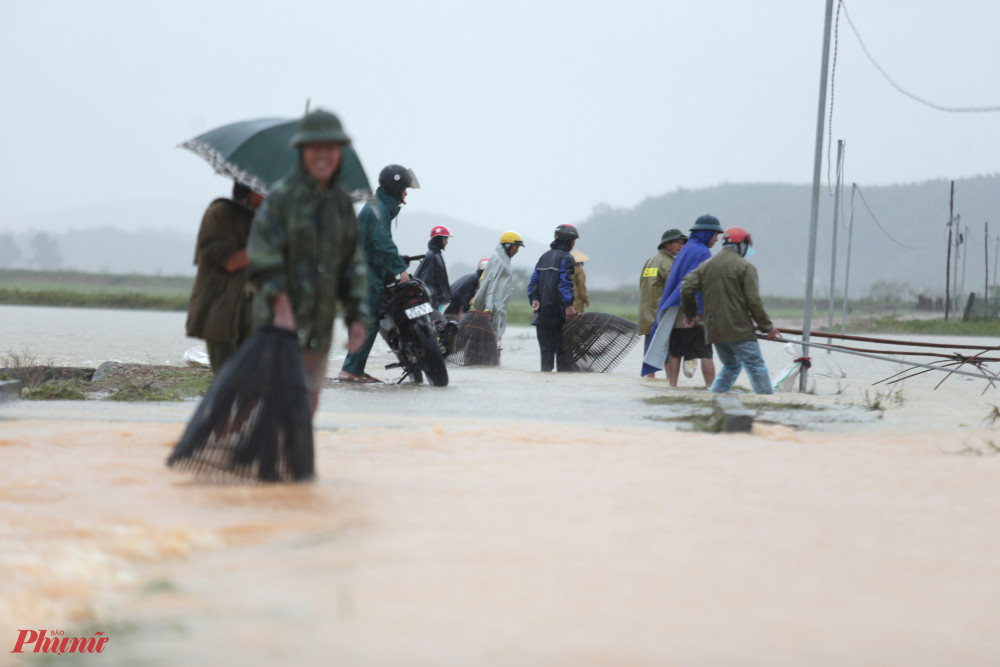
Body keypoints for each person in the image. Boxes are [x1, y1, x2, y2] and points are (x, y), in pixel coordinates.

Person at [246, 108, 369, 415]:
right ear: (302, 151)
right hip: (276, 326)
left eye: (331, 148)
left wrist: (357, 316)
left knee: (308, 402)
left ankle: (297, 459)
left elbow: (351, 266)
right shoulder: (281, 199)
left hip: (318, 328)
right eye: (316, 148)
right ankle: (270, 458)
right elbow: (262, 259)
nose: (323, 155)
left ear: (340, 153)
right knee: (274, 401)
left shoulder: (340, 205)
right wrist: (281, 306)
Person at [337, 163, 420, 383]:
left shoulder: (379, 207)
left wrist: (394, 264)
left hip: (364, 272)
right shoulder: (377, 210)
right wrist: (400, 269)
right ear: (396, 189)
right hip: (362, 275)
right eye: (404, 189)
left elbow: (378, 245)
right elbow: (382, 243)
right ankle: (350, 371)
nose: (405, 195)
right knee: (368, 321)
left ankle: (354, 368)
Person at [680, 226, 780, 394]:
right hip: (738, 329)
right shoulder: (745, 267)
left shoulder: (706, 266)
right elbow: (753, 301)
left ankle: (715, 397)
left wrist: (691, 314)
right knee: (756, 365)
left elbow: (686, 287)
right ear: (741, 245)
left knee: (731, 365)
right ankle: (766, 403)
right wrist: (767, 327)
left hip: (714, 329)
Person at [186, 181, 263, 372]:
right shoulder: (221, 213)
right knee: (227, 380)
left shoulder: (266, 219)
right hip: (223, 312)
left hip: (256, 311)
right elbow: (230, 262)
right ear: (252, 189)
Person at [640, 214, 722, 387]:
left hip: (668, 310)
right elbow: (695, 285)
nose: (716, 239)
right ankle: (712, 390)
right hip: (690, 310)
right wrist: (697, 312)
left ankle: (672, 387)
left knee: (675, 351)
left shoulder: (672, 255)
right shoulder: (701, 252)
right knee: (705, 352)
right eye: (715, 234)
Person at [527, 224, 578, 372]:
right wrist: (568, 305)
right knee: (563, 359)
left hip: (541, 317)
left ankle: (545, 391)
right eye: (574, 240)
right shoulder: (566, 258)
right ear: (569, 241)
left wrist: (534, 300)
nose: (574, 244)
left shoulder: (544, 257)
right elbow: (564, 283)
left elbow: (533, 282)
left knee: (546, 360)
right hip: (558, 317)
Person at [638, 229, 687, 378]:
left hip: (647, 315)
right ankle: (670, 386)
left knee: (650, 355)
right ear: (667, 244)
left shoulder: (650, 260)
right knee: (666, 353)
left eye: (682, 243)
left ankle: (650, 383)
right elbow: (674, 291)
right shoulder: (669, 263)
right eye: (677, 242)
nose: (681, 246)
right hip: (662, 315)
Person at [472, 232, 524, 351]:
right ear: (507, 245)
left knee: (495, 340)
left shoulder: (504, 259)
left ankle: (491, 363)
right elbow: (491, 283)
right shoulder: (498, 259)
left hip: (497, 308)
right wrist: (488, 308)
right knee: (490, 340)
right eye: (516, 247)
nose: (517, 250)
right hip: (492, 309)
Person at [413, 225, 452, 309]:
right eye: (445, 239)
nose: (447, 242)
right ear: (439, 239)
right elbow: (427, 279)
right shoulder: (433, 256)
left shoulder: (436, 255)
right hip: (432, 301)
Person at [571, 249, 590, 314]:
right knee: (577, 321)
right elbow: (581, 287)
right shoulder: (580, 270)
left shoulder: (567, 269)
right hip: (577, 301)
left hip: (568, 301)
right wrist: (585, 299)